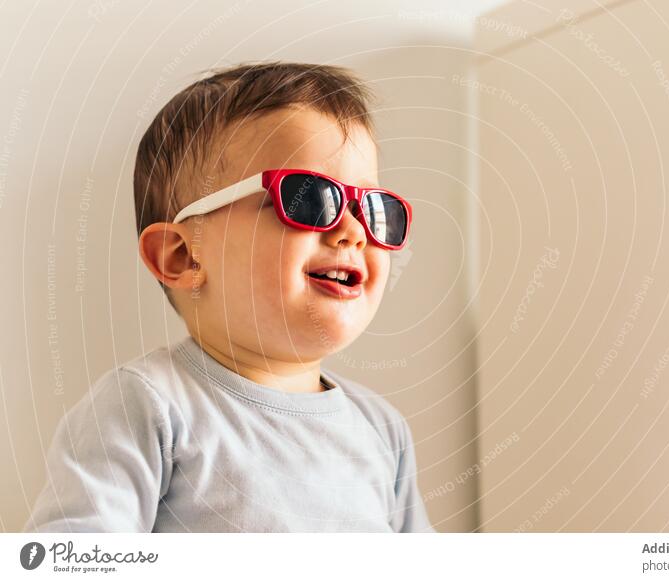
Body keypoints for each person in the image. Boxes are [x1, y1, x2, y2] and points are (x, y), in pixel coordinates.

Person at [24, 61, 433, 532]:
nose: (353, 231)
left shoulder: (381, 430)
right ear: (183, 257)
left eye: (375, 209)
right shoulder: (148, 406)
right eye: (308, 199)